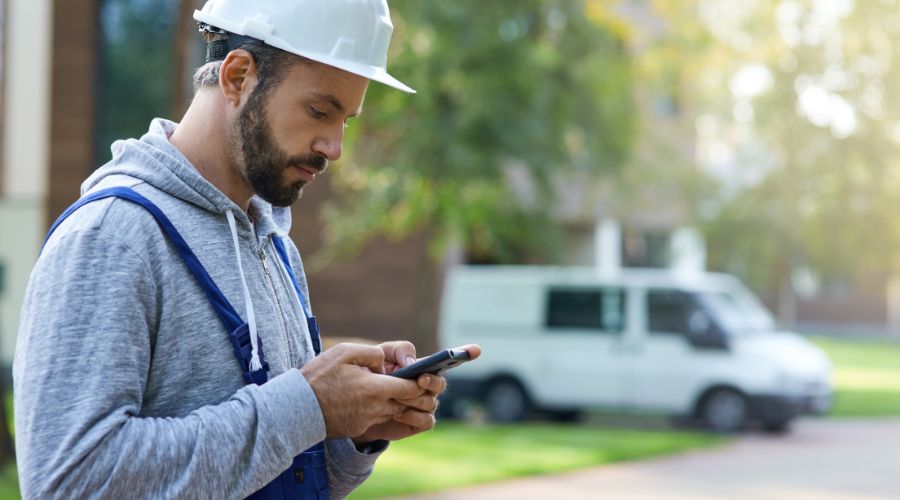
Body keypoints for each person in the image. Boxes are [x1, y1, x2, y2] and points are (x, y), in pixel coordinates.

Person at [13, 0, 480, 498]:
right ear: (237, 76)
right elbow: (67, 481)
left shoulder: (275, 245)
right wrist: (309, 406)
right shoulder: (112, 237)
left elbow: (281, 465)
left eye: (346, 120)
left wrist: (353, 431)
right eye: (320, 110)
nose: (334, 147)